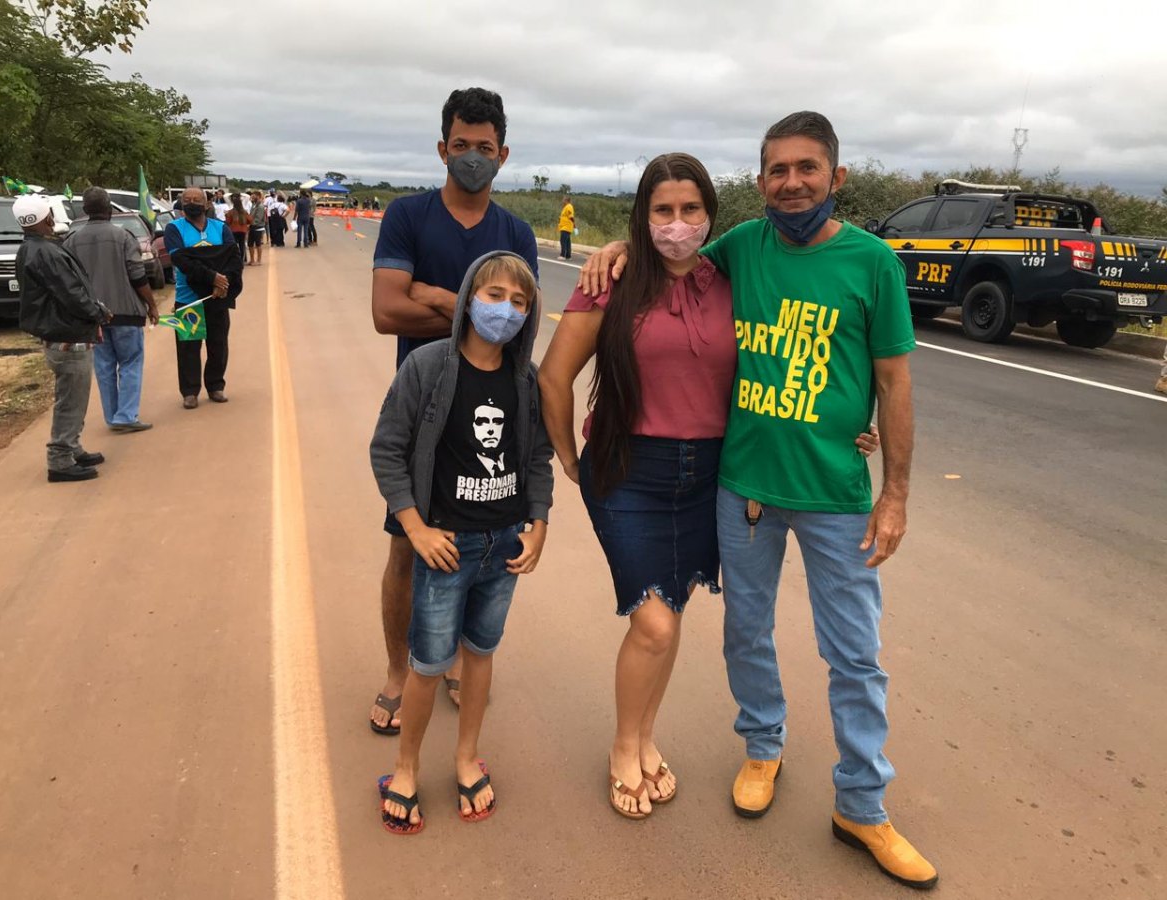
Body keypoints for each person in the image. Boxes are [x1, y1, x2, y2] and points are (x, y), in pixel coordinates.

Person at [582, 111, 934, 889]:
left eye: (807, 168)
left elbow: (893, 382)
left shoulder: (873, 263)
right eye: (776, 170)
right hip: (742, 488)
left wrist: (895, 493)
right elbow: (662, 256)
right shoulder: (739, 249)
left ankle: (863, 806)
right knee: (746, 633)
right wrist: (612, 250)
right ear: (761, 180)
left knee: (855, 656)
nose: (792, 183)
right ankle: (763, 748)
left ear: (836, 177)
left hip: (838, 496)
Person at [542, 154, 880, 821]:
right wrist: (568, 459)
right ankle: (621, 748)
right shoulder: (610, 281)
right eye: (661, 211)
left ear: (710, 217)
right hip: (628, 472)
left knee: (669, 615)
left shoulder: (727, 276)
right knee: (655, 621)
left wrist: (848, 421)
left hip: (708, 475)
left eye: (690, 210)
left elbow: (787, 356)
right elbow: (552, 377)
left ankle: (644, 736)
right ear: (642, 216)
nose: (676, 224)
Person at [369, 86, 540, 735]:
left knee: (485, 553)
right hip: (425, 422)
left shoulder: (515, 232)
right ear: (442, 147)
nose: (473, 157)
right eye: (461, 146)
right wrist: (466, 303)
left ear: (503, 154)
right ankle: (398, 671)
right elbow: (387, 311)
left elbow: (516, 326)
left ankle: (457, 667)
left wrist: (434, 296)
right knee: (408, 551)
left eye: (485, 148)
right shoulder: (408, 217)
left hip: (492, 425)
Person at [369, 250, 552, 834]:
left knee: (480, 654)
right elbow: (387, 448)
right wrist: (415, 527)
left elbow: (539, 457)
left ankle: (467, 755)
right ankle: (405, 769)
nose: (506, 310)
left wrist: (539, 523)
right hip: (446, 548)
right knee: (427, 665)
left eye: (519, 302)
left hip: (504, 546)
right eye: (494, 296)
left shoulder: (525, 381)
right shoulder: (428, 366)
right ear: (470, 297)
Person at [12, 193, 111, 482]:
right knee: (71, 399)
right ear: (47, 218)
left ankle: (72, 447)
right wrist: (98, 312)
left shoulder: (31, 249)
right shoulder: (46, 252)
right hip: (67, 334)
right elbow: (71, 293)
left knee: (74, 396)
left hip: (58, 333)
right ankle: (60, 459)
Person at [64, 186, 158, 434]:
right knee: (130, 362)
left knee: (104, 366)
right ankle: (126, 416)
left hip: (92, 317)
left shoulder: (71, 241)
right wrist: (152, 305)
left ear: (85, 210)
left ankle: (113, 416)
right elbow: (138, 276)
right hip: (126, 312)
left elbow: (70, 282)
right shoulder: (124, 237)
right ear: (109, 209)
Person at [164, 186, 243, 409]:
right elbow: (181, 260)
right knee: (188, 346)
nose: (192, 202)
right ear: (181, 203)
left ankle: (216, 386)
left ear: (206, 204)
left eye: (197, 199)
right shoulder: (173, 229)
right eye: (187, 199)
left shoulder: (221, 228)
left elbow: (234, 258)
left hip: (218, 297)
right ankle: (189, 392)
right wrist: (212, 277)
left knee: (218, 344)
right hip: (188, 299)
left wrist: (223, 281)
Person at [225, 191, 251, 264]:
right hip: (243, 231)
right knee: (242, 246)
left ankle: (235, 260)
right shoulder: (244, 212)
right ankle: (242, 260)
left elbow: (227, 222)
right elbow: (250, 220)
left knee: (234, 246)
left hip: (233, 231)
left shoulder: (230, 212)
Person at [248, 191, 267, 265]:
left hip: (258, 227)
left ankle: (259, 260)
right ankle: (252, 260)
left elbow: (258, 219)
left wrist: (250, 224)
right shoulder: (254, 205)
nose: (252, 197)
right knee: (250, 244)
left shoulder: (260, 206)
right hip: (252, 227)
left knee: (258, 244)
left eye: (254, 196)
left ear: (258, 196)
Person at [557, 194, 575, 259]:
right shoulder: (566, 207)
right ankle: (568, 255)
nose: (562, 201)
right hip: (564, 227)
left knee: (563, 241)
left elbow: (571, 217)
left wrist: (574, 225)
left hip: (566, 227)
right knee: (567, 242)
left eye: (563, 199)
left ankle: (563, 255)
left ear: (566, 200)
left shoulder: (569, 207)